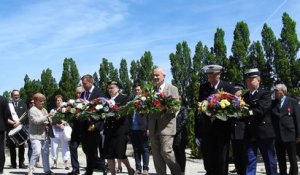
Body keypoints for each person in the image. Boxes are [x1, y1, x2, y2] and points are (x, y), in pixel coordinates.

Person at [194, 65, 235, 175]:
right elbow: (198, 109)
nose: (211, 78)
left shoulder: (228, 86)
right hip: (207, 130)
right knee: (208, 159)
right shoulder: (204, 87)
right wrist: (197, 132)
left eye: (213, 75)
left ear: (219, 75)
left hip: (222, 129)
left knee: (221, 159)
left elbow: (233, 108)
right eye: (209, 76)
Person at [243, 68, 277, 175]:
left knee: (269, 161)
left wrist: (247, 113)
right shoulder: (245, 96)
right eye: (247, 80)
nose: (249, 82)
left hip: (264, 132)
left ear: (259, 80)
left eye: (251, 79)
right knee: (250, 161)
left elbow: (261, 110)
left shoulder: (265, 94)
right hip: (250, 133)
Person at [148, 66, 181, 175]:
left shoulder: (172, 88)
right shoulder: (150, 90)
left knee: (166, 151)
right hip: (153, 127)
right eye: (154, 75)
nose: (155, 77)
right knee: (156, 155)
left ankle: (177, 172)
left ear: (164, 76)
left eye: (157, 75)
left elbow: (176, 107)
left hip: (167, 126)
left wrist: (163, 107)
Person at [103, 80, 135, 175]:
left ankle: (129, 169)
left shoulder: (124, 98)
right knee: (109, 154)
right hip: (109, 129)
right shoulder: (106, 99)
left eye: (112, 88)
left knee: (120, 153)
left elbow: (123, 112)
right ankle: (113, 173)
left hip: (120, 129)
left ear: (118, 89)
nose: (110, 90)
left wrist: (113, 110)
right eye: (109, 88)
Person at [271, 83, 300, 175]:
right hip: (278, 135)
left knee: (292, 158)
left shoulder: (292, 101)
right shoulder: (273, 103)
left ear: (282, 91)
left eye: (276, 90)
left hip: (290, 134)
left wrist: (299, 135)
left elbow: (297, 119)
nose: (274, 92)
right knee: (281, 159)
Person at [80, 74, 106, 175]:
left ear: (91, 82)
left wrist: (92, 115)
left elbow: (103, 107)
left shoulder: (99, 92)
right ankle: (97, 166)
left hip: (95, 125)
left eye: (85, 84)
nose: (84, 86)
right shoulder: (83, 94)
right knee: (86, 148)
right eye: (82, 84)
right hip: (85, 125)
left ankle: (96, 168)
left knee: (93, 148)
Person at [27, 93, 54, 175]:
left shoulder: (44, 109)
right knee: (36, 152)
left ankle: (47, 170)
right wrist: (47, 116)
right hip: (35, 135)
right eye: (40, 101)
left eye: (43, 101)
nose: (42, 102)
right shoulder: (32, 110)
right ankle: (30, 171)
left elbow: (49, 120)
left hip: (44, 135)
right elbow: (36, 121)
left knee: (45, 153)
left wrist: (50, 119)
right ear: (35, 101)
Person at [129, 82, 150, 175]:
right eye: (135, 90)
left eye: (138, 89)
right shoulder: (131, 100)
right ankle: (138, 169)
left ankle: (145, 169)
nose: (136, 91)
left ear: (141, 90)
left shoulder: (146, 100)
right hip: (133, 128)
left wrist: (148, 128)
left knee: (145, 149)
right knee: (136, 149)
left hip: (143, 128)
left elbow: (149, 115)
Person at [6, 89, 28, 169]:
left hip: (20, 127)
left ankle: (21, 163)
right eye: (15, 95)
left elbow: (26, 115)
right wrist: (12, 123)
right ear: (12, 96)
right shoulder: (8, 105)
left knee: (22, 146)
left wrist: (19, 122)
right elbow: (5, 116)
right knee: (12, 146)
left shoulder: (23, 104)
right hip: (11, 128)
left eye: (18, 95)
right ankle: (13, 164)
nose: (16, 96)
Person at [230, 84, 248, 175]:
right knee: (236, 157)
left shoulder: (246, 101)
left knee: (244, 157)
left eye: (237, 90)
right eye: (234, 90)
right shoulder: (230, 102)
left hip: (243, 133)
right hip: (233, 133)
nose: (235, 92)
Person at [50, 95, 70, 170]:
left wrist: (64, 123)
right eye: (57, 100)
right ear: (55, 102)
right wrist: (58, 124)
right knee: (54, 148)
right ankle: (55, 163)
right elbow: (51, 120)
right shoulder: (53, 110)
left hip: (63, 130)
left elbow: (68, 118)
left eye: (60, 100)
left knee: (65, 147)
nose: (58, 101)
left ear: (62, 101)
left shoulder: (66, 110)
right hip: (54, 130)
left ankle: (66, 164)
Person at [68, 86, 84, 175]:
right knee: (72, 147)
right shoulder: (72, 102)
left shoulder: (87, 102)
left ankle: (101, 165)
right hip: (76, 129)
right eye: (77, 93)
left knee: (88, 150)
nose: (78, 94)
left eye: (80, 93)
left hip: (86, 129)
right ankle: (75, 169)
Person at [173, 99, 188, 175]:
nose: (177, 100)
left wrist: (176, 130)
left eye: (179, 99)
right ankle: (177, 170)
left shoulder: (183, 109)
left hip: (181, 135)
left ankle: (182, 171)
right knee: (175, 153)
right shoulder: (172, 109)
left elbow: (185, 120)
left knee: (181, 153)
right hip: (173, 135)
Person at [0, 95, 10, 174]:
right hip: (1, 127)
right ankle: (0, 168)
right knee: (0, 148)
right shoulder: (3, 99)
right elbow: (7, 114)